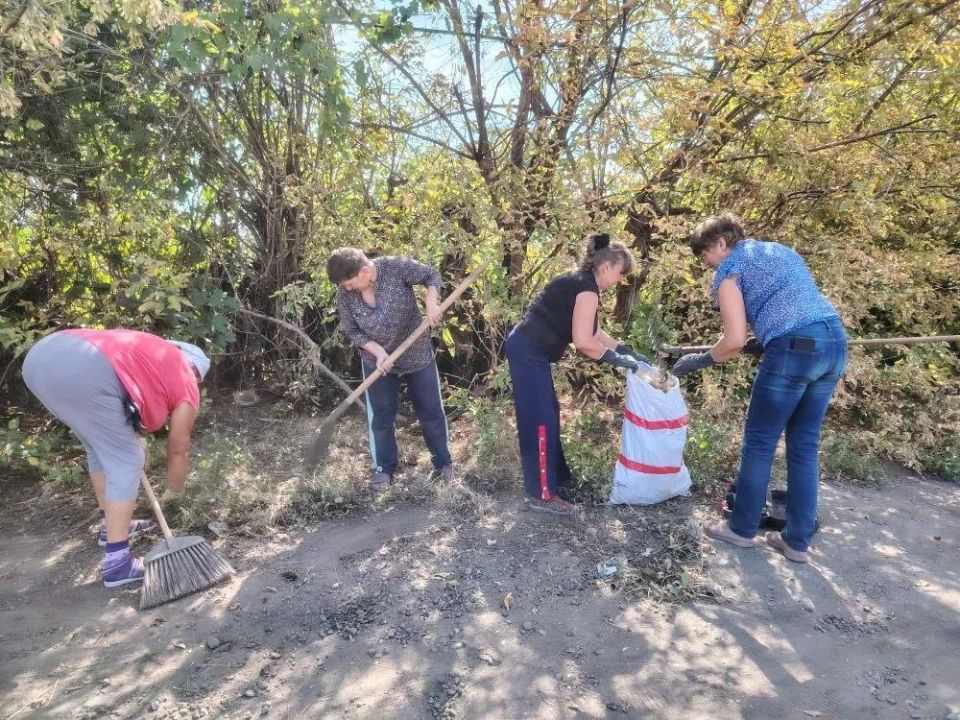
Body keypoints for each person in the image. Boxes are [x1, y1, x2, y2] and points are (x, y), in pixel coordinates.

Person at [673, 212, 848, 563]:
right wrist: (765, 338)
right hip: (834, 343)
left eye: (704, 254)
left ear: (721, 243)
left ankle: (740, 530)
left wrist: (700, 359)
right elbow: (794, 306)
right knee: (804, 445)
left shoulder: (729, 272)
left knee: (760, 442)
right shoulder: (781, 252)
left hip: (793, 351)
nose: (705, 263)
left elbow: (733, 340)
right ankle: (796, 541)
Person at [21, 328, 210, 587]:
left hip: (41, 359)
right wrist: (175, 492)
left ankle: (109, 525)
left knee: (99, 446)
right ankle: (118, 563)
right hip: (81, 370)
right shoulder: (185, 378)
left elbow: (124, 393)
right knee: (128, 459)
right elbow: (178, 448)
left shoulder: (147, 353)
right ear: (196, 372)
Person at [506, 232, 649, 516]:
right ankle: (542, 495)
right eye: (620, 274)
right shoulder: (586, 288)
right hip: (528, 351)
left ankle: (556, 480)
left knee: (547, 414)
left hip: (529, 350)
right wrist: (620, 360)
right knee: (541, 420)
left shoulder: (582, 283)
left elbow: (595, 333)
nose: (620, 281)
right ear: (606, 266)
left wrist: (627, 350)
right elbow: (584, 342)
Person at [327, 248, 454, 493]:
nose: (346, 288)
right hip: (377, 361)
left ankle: (443, 462)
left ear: (364, 271)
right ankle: (383, 469)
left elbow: (431, 275)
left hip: (416, 352)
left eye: (349, 282)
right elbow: (353, 332)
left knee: (430, 409)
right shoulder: (344, 294)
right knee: (381, 416)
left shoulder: (394, 267)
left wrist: (431, 302)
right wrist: (378, 352)